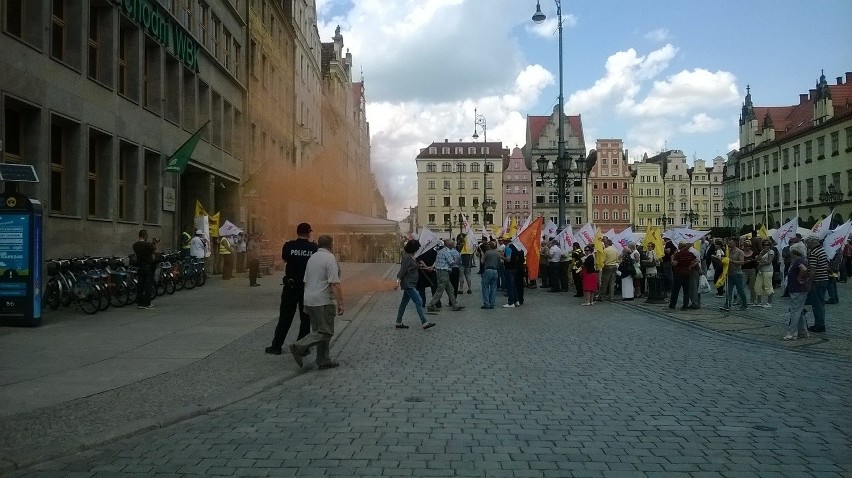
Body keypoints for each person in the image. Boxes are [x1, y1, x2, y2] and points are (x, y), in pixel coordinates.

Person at [289, 235, 343, 370]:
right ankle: (299, 346)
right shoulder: (330, 258)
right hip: (323, 300)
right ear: (331, 244)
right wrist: (340, 302)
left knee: (319, 331)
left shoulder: (312, 258)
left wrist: (306, 303)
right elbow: (334, 283)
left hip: (311, 299)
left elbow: (306, 282)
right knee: (326, 332)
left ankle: (323, 360)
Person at [265, 223, 318, 355]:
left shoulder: (289, 246)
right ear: (309, 233)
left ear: (297, 232)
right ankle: (302, 347)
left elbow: (284, 259)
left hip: (291, 286)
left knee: (285, 317)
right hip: (307, 287)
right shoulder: (314, 248)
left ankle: (276, 346)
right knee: (305, 319)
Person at [394, 239, 435, 330]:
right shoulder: (407, 257)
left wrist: (423, 267)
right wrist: (397, 282)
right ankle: (424, 322)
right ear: (413, 249)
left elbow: (412, 267)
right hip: (408, 284)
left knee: (403, 303)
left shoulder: (411, 256)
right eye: (416, 249)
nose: (417, 250)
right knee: (419, 301)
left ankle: (398, 322)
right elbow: (402, 271)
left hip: (411, 283)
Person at [426, 239, 466, 313]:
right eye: (453, 243)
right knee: (440, 290)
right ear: (450, 245)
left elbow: (437, 262)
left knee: (450, 290)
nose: (454, 244)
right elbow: (451, 263)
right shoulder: (446, 252)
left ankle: (455, 305)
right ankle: (431, 305)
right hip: (444, 273)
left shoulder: (440, 251)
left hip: (440, 272)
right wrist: (456, 260)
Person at [782, 242, 810, 341]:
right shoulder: (802, 259)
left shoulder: (798, 260)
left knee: (795, 311)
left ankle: (792, 332)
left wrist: (799, 277)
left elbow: (803, 269)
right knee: (800, 310)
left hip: (797, 289)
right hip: (799, 289)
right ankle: (803, 331)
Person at [805, 235, 829, 333]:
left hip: (817, 281)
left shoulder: (814, 253)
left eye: (808, 242)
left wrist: (809, 283)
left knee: (817, 304)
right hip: (824, 279)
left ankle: (819, 325)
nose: (807, 244)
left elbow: (813, 270)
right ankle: (820, 323)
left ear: (812, 242)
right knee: (821, 302)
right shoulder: (822, 250)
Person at [720, 237, 748, 312]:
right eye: (728, 243)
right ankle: (727, 305)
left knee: (740, 290)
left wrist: (732, 261)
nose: (729, 244)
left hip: (737, 274)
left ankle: (745, 304)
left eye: (730, 243)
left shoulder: (739, 252)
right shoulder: (727, 252)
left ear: (735, 243)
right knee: (728, 290)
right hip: (729, 274)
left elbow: (742, 262)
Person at [133, 229, 158, 310]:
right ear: (144, 235)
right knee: (148, 285)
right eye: (147, 235)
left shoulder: (135, 245)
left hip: (140, 266)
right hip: (148, 266)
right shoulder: (148, 245)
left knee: (140, 285)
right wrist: (155, 243)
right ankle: (147, 303)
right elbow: (154, 250)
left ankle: (140, 303)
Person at [669, 242, 698, 310]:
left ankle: (672, 305)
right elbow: (697, 261)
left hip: (678, 273)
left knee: (676, 290)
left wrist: (672, 258)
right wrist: (690, 266)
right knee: (686, 290)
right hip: (687, 273)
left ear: (680, 247)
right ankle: (685, 305)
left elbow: (674, 264)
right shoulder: (690, 254)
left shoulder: (678, 254)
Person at [755, 239, 775, 307]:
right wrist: (761, 254)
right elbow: (757, 259)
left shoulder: (771, 252)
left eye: (767, 245)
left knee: (768, 286)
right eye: (764, 245)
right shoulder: (762, 251)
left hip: (768, 271)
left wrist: (760, 264)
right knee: (758, 286)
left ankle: (769, 303)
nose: (766, 246)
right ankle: (759, 302)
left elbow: (769, 261)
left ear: (770, 245)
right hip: (761, 271)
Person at [480, 241, 501, 309]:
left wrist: (482, 255)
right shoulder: (498, 253)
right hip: (495, 271)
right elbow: (500, 262)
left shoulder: (487, 253)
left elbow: (482, 261)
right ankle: (492, 303)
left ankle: (486, 303)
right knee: (493, 288)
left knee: (485, 287)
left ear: (490, 246)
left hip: (488, 270)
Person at [600, 237, 619, 301]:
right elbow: (617, 259)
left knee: (605, 283)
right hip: (614, 267)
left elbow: (603, 260)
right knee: (612, 283)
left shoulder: (605, 250)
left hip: (607, 267)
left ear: (607, 243)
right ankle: (611, 297)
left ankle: (602, 297)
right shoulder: (615, 250)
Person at [501, 240, 519, 307]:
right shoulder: (515, 248)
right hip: (514, 268)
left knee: (509, 286)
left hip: (509, 269)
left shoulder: (508, 248)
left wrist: (501, 257)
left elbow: (508, 259)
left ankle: (511, 302)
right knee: (514, 286)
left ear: (506, 241)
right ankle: (516, 301)